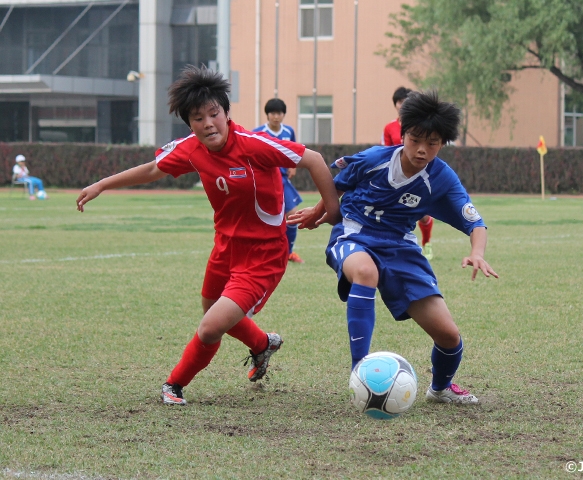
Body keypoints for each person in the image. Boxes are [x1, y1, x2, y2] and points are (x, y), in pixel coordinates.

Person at [76, 65, 341, 405]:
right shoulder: (190, 147)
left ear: (227, 113)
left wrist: (328, 211)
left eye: (214, 114)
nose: (208, 124)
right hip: (224, 248)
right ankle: (263, 344)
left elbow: (315, 160)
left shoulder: (253, 144)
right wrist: (101, 184)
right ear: (189, 123)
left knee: (210, 326)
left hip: (262, 254)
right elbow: (154, 169)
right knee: (212, 312)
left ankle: (173, 386)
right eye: (198, 118)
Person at [289, 90, 499, 404]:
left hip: (401, 247)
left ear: (443, 143)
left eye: (433, 143)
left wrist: (477, 253)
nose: (422, 150)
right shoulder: (375, 159)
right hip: (354, 234)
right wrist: (318, 212)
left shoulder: (442, 178)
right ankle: (359, 372)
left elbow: (475, 222)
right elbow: (337, 185)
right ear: (403, 134)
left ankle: (440, 389)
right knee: (364, 271)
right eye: (415, 139)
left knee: (449, 336)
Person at [382, 87, 435, 260]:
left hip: (419, 175)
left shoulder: (421, 126)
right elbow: (386, 151)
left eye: (406, 102)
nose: (402, 105)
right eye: (399, 102)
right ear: (395, 105)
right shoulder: (389, 127)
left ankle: (426, 244)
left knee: (423, 214)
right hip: (396, 175)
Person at [253, 98, 305, 263]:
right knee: (264, 219)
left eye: (279, 113)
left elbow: (294, 151)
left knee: (293, 215)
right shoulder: (258, 132)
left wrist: (294, 166)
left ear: (284, 115)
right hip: (265, 181)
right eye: (272, 113)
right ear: (267, 115)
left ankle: (288, 253)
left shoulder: (288, 131)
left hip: (282, 179)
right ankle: (262, 253)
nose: (276, 116)